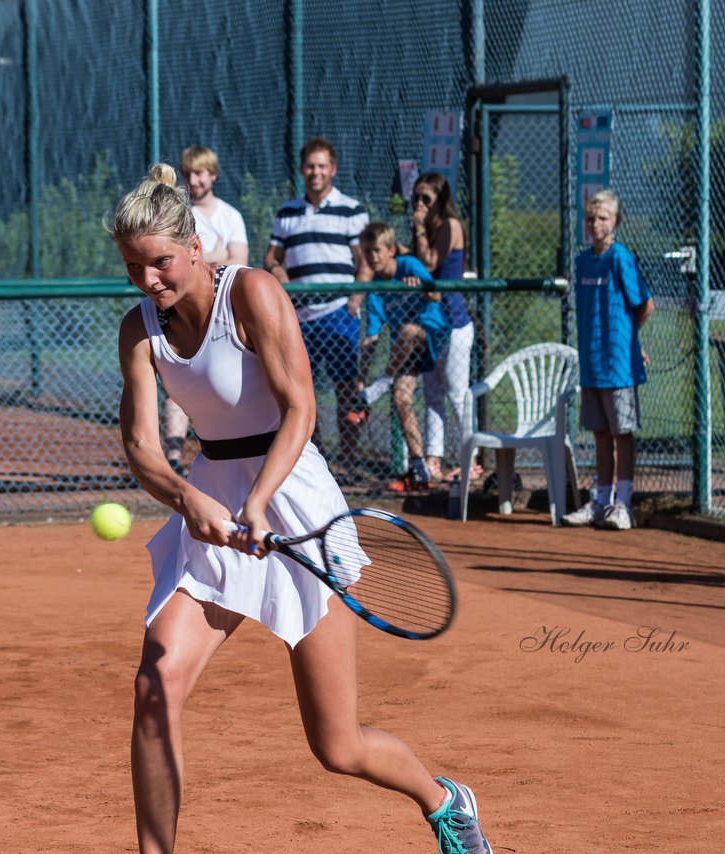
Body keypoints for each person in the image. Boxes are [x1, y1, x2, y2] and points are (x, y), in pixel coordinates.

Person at [111, 164, 493, 854]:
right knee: (154, 685)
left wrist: (258, 500)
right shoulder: (139, 330)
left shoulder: (252, 293)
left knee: (337, 744)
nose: (149, 281)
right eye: (133, 267)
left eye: (160, 263)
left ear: (193, 246)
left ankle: (444, 801)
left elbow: (301, 410)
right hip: (211, 491)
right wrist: (188, 496)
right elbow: (141, 444)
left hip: (296, 499)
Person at [263, 137, 370, 468]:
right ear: (301, 170)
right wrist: (279, 274)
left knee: (345, 389)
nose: (316, 172)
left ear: (333, 169)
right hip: (299, 318)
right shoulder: (287, 212)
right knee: (298, 393)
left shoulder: (352, 210)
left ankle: (349, 461)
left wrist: (353, 302)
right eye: (310, 166)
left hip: (339, 313)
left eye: (322, 166)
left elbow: (365, 263)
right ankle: (314, 457)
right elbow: (271, 258)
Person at [561, 190, 654, 532]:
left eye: (602, 218)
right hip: (592, 363)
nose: (595, 224)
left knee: (622, 433)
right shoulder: (583, 261)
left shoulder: (620, 258)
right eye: (590, 218)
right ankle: (601, 501)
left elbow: (645, 304)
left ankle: (623, 504)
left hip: (619, 364)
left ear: (615, 221)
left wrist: (631, 340)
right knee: (600, 433)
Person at [161, 146, 250, 473]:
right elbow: (175, 261)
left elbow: (240, 260)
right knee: (177, 386)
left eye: (200, 173)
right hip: (184, 313)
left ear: (212, 175)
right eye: (188, 174)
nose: (193, 180)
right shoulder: (179, 216)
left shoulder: (230, 215)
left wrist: (201, 257)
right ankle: (174, 458)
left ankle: (232, 456)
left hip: (224, 311)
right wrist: (216, 254)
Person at [352, 222, 451, 491]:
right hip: (406, 352)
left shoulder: (408, 265)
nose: (372, 257)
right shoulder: (374, 287)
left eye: (377, 251)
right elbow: (372, 335)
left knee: (407, 330)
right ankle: (419, 468)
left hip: (434, 335)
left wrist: (418, 285)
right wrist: (361, 375)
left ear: (391, 250)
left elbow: (436, 293)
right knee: (401, 399)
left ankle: (376, 390)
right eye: (367, 251)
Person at [407, 172, 477, 483]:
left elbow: (431, 264)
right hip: (429, 324)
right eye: (416, 198)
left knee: (458, 395)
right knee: (432, 394)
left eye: (427, 199)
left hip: (454, 324)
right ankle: (433, 459)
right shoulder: (426, 231)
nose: (420, 204)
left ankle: (470, 460)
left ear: (440, 202)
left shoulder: (450, 226)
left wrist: (420, 229)